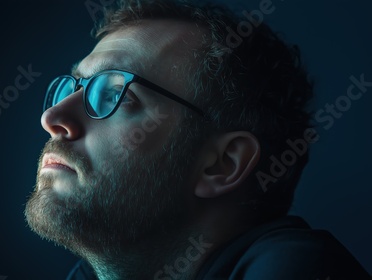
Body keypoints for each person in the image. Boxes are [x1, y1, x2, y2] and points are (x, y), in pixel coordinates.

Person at [25, 0, 371, 279]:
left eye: (116, 94)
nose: (52, 118)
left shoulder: (299, 270)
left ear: (222, 164)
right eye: (73, 87)